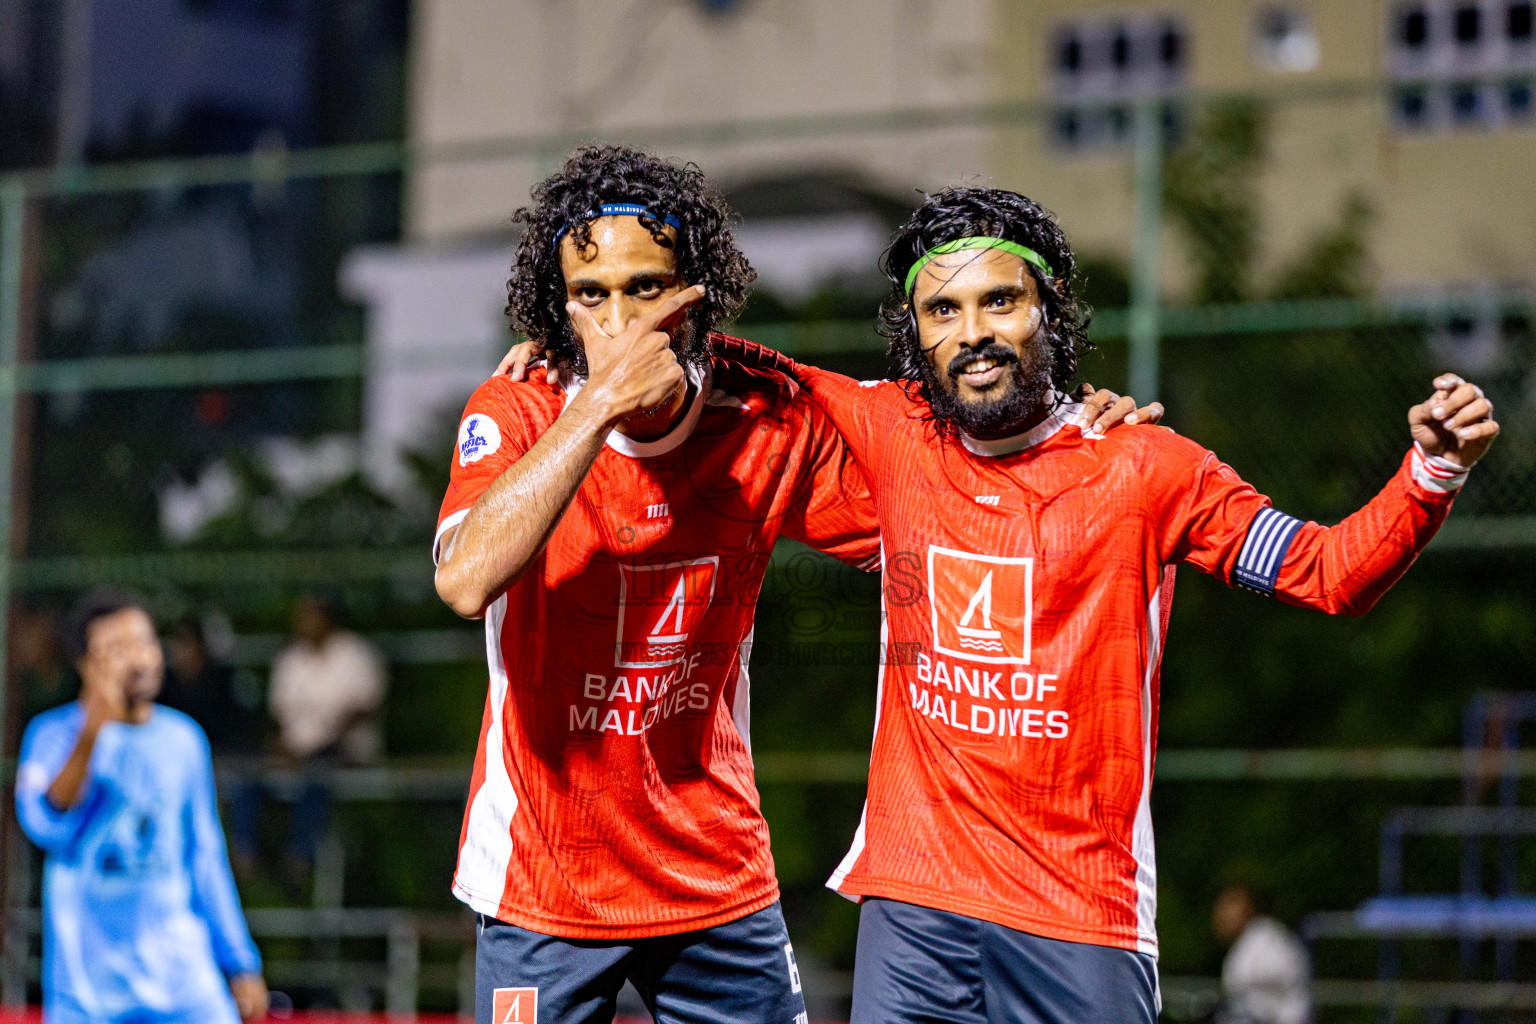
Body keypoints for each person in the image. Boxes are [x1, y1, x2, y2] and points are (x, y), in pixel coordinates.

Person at [662, 187, 1496, 1022]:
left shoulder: (1147, 468)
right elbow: (707, 360)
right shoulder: (893, 434)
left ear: (1050, 308)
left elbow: (1328, 572)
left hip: (1079, 920)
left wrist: (1432, 473)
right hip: (914, 909)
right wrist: (552, 373)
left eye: (1000, 300)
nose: (973, 332)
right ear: (914, 334)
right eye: (942, 310)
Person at [437, 144, 1152, 1024]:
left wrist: (1071, 436)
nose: (621, 320)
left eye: (649, 288)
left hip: (715, 884)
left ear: (699, 293)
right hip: (539, 883)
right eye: (592, 295)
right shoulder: (518, 411)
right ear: (559, 308)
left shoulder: (764, 417)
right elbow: (465, 579)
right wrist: (596, 405)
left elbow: (955, 506)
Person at [15, 590, 268, 1024]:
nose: (139, 659)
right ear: (84, 664)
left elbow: (206, 857)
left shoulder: (184, 739)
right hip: (89, 993)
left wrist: (240, 961)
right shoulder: (52, 734)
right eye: (118, 649)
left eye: (145, 643)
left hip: (184, 985)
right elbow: (43, 826)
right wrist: (93, 733)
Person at [267, 594, 386, 883]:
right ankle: (246, 856)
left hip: (345, 752)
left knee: (317, 776)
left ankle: (300, 856)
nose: (302, 622)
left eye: (309, 615)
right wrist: (283, 746)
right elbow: (279, 716)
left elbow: (364, 709)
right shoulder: (290, 660)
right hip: (297, 753)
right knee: (246, 776)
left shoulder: (355, 654)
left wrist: (317, 745)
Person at [1212, 884, 1312, 1024]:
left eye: (1229, 905)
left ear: (1248, 908)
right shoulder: (1249, 941)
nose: (1221, 914)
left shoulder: (1266, 937)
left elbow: (1287, 975)